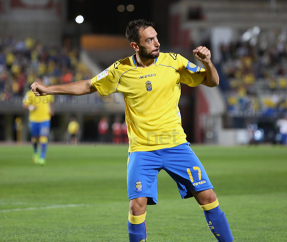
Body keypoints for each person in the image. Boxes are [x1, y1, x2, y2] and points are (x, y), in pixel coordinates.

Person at [30, 19, 233, 242]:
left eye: (156, 37)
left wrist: (208, 63)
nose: (157, 43)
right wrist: (49, 89)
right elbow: (88, 86)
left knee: (208, 197)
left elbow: (211, 82)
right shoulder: (121, 70)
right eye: (150, 40)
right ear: (135, 46)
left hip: (176, 145)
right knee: (137, 207)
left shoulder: (174, 62)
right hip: (142, 150)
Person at [23, 77, 54, 165]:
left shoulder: (47, 92)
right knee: (35, 138)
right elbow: (24, 105)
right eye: (36, 82)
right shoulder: (30, 93)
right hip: (34, 120)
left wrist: (51, 110)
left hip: (45, 118)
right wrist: (32, 107)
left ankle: (42, 157)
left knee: (43, 136)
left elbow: (51, 101)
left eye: (39, 82)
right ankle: (36, 152)